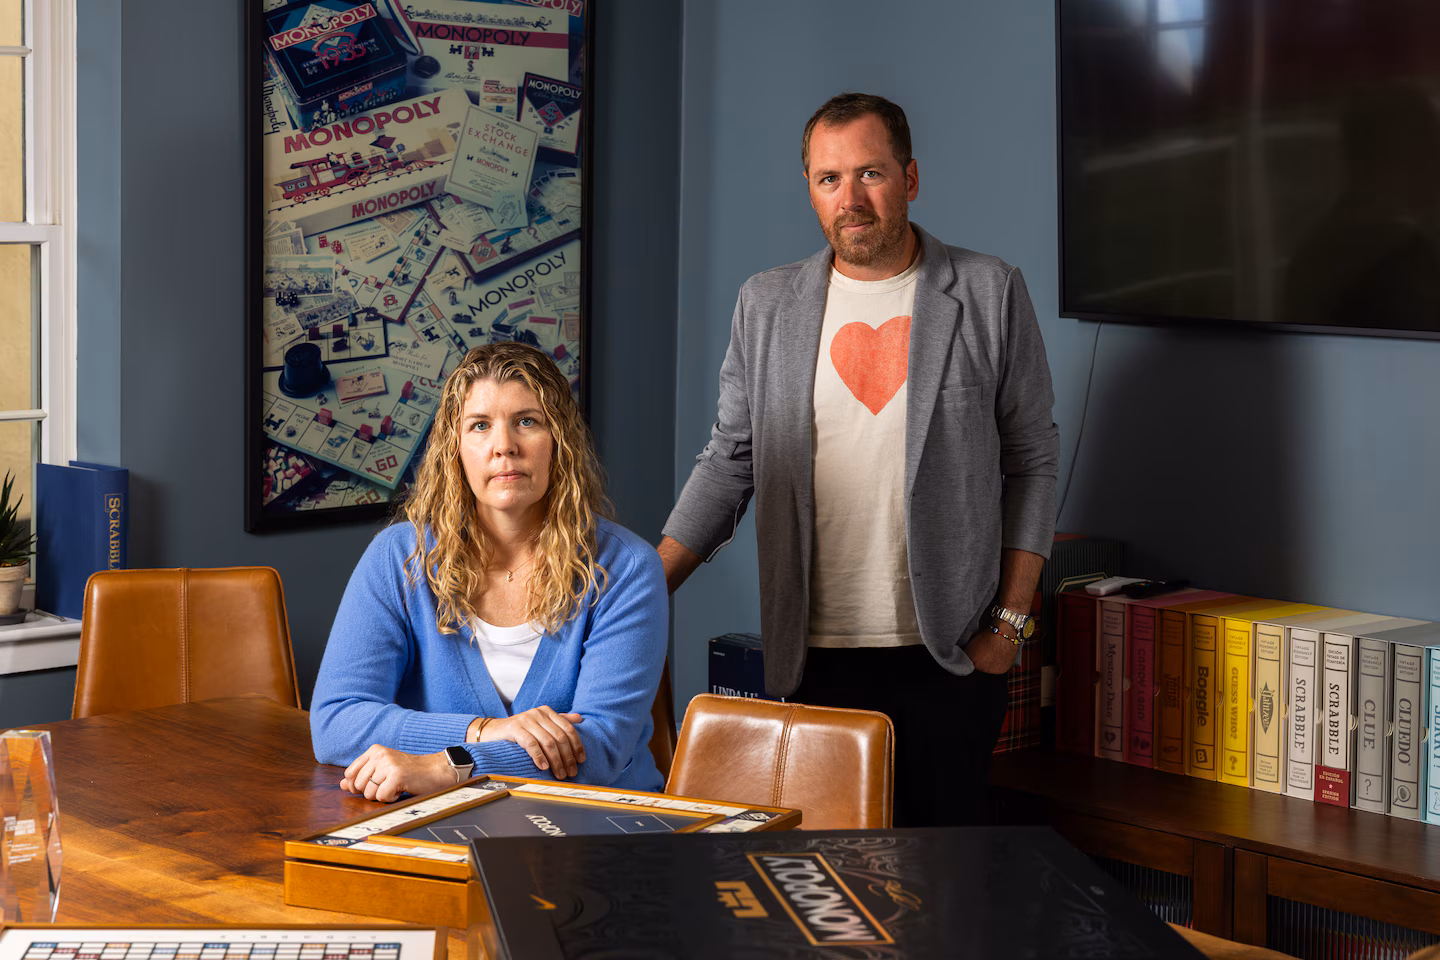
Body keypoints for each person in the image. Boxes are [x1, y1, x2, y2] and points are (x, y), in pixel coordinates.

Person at [657, 93, 1060, 827]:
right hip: (810, 659)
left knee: (941, 878)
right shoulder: (766, 304)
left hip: (948, 656)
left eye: (870, 173)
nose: (851, 199)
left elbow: (1032, 460)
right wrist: (645, 590)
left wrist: (1008, 626)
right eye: (829, 178)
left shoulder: (988, 290)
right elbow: (730, 462)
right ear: (811, 189)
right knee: (820, 881)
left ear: (911, 178)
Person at [312, 342, 668, 802]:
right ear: (455, 448)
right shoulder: (399, 557)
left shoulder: (627, 568)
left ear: (559, 441)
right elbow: (336, 721)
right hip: (445, 819)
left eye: (527, 421)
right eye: (480, 425)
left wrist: (450, 765)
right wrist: (483, 730)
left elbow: (598, 750)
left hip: (599, 821)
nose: (504, 447)